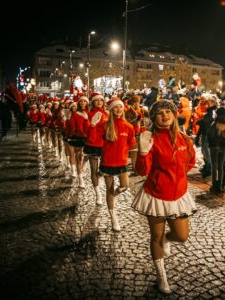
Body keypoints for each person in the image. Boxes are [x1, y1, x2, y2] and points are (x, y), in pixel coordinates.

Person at [132, 100, 196, 294]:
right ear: (154, 117)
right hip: (156, 195)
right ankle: (161, 277)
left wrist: (178, 178)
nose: (165, 115)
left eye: (168, 111)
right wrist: (143, 152)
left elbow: (190, 162)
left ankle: (168, 240)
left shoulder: (184, 139)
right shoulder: (150, 138)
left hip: (179, 195)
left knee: (181, 236)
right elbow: (142, 171)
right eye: (160, 113)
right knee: (156, 237)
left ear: (174, 115)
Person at [99, 98, 135, 231]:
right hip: (107, 162)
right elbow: (99, 140)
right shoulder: (105, 125)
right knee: (109, 189)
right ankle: (113, 218)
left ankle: (112, 196)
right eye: (115, 107)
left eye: (120, 107)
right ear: (111, 110)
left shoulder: (129, 126)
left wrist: (124, 151)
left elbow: (131, 143)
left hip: (122, 162)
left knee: (125, 186)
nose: (118, 109)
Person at [84, 93, 109, 204]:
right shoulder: (89, 114)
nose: (99, 102)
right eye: (97, 100)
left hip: (105, 145)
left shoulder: (108, 114)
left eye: (101, 100)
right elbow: (87, 132)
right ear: (93, 102)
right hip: (93, 144)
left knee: (104, 169)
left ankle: (98, 177)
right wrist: (92, 125)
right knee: (93, 170)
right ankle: (98, 194)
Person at [208, 107, 225, 193]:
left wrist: (210, 144)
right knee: (221, 166)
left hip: (214, 147)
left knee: (214, 167)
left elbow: (210, 136)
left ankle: (214, 185)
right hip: (224, 147)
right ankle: (220, 186)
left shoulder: (214, 123)